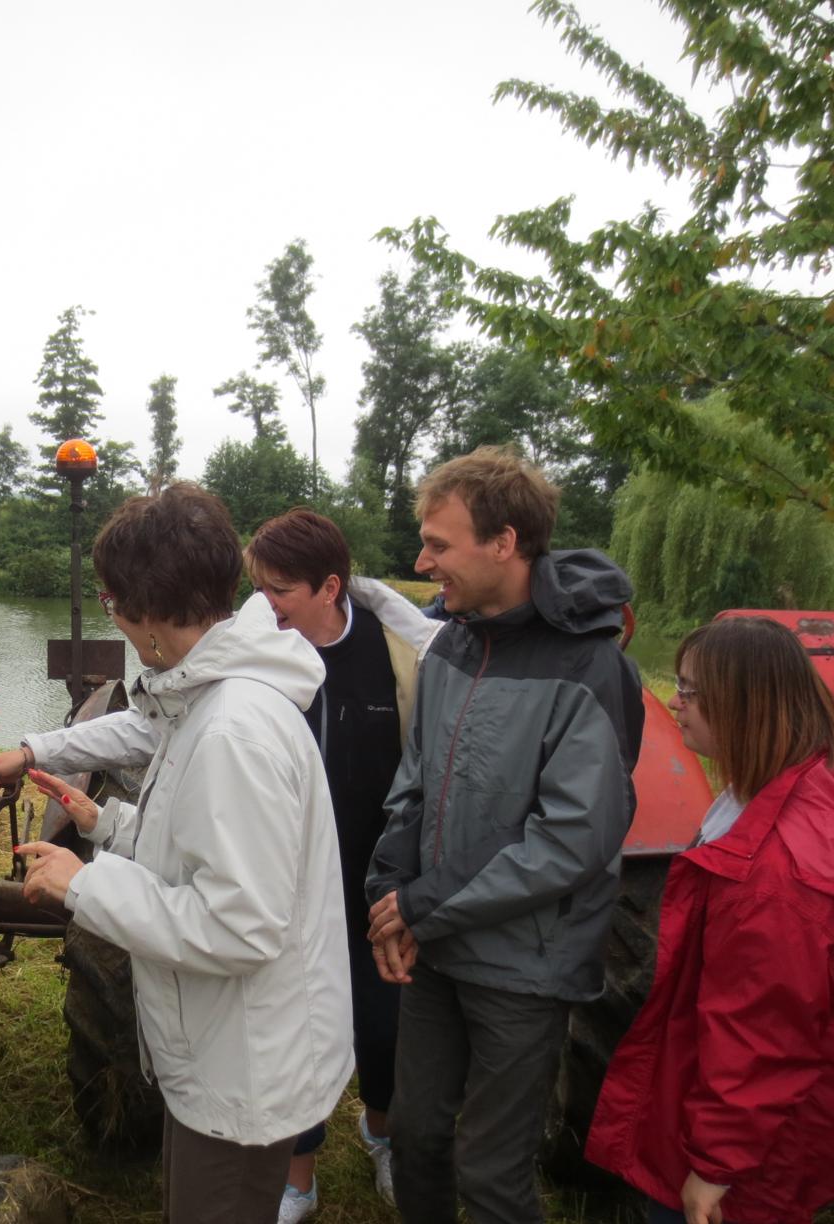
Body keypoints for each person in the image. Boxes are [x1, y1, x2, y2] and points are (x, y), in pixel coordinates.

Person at [0, 483, 353, 1224]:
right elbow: (196, 849)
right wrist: (104, 824)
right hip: (226, 1051)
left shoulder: (232, 729)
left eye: (111, 599)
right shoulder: (206, 700)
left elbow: (239, 924)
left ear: (143, 610)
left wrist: (83, 886)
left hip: (244, 1068)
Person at [364, 445, 644, 1224]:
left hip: (526, 965)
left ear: (505, 543)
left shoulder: (592, 668)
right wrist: (388, 889)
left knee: (491, 1172)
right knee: (416, 1139)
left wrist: (422, 905)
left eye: (439, 544)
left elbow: (572, 839)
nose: (423, 561)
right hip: (435, 947)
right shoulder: (453, 643)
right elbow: (413, 780)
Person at [586, 616, 834, 1224]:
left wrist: (715, 1167)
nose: (673, 701)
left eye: (690, 691)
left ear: (743, 704)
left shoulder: (776, 874)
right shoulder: (807, 784)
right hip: (780, 1120)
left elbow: (762, 1037)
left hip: (752, 1154)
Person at [243, 509, 437, 1222]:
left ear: (330, 587)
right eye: (259, 588)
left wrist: (409, 878)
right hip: (288, 877)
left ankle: (378, 1130)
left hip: (375, 878)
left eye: (281, 590)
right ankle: (298, 1175)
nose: (266, 605)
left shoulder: (400, 652)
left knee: (384, 1023)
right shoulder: (258, 648)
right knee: (293, 1025)